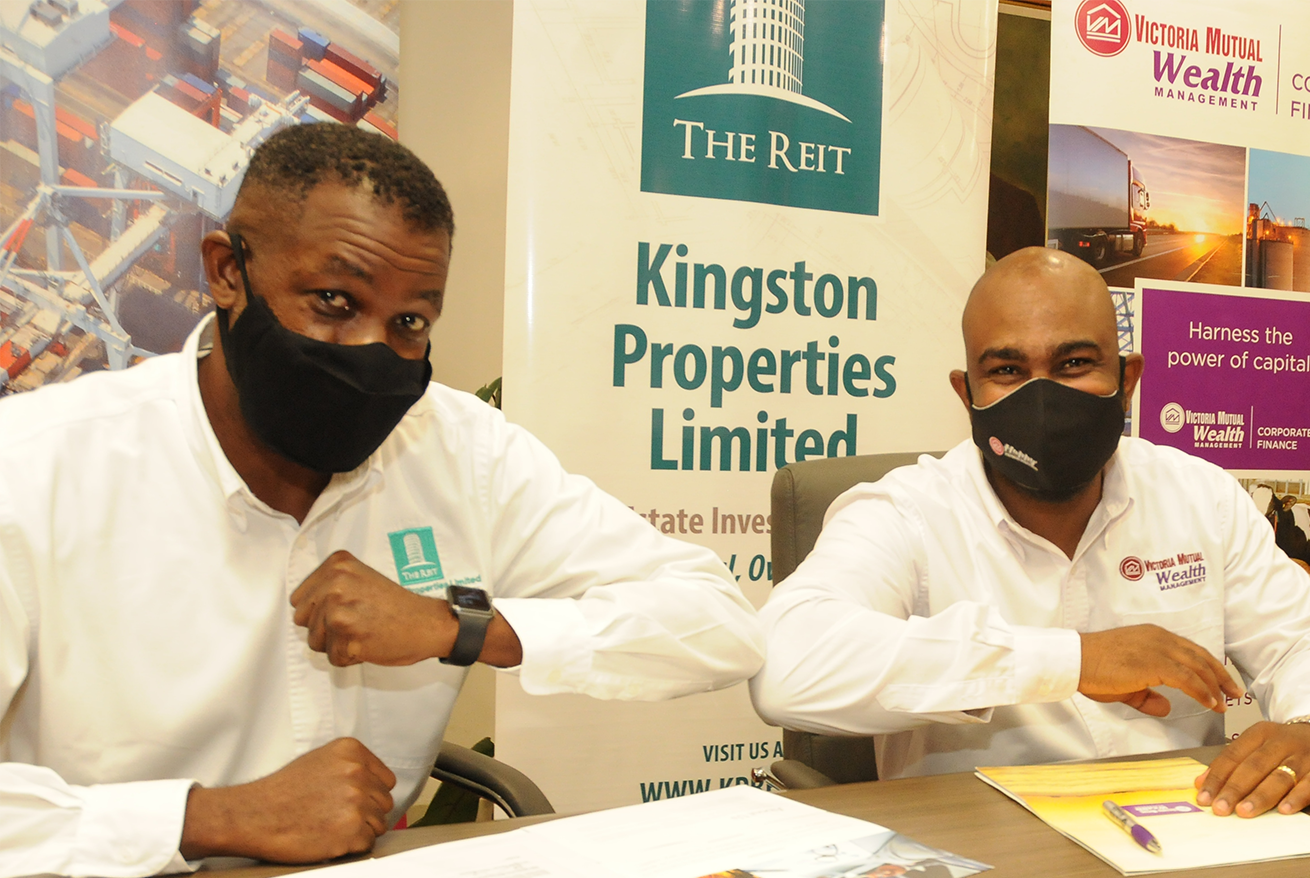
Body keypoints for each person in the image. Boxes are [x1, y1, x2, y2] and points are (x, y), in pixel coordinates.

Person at [0, 124, 766, 876]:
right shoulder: (36, 469)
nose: (372, 350)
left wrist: (459, 624)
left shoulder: (460, 451)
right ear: (228, 271)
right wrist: (213, 818)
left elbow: (718, 624)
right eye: (334, 301)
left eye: (408, 323)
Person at [751, 247, 1310, 820]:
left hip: (1183, 838)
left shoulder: (1200, 495)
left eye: (1074, 363)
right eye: (1006, 370)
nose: (1042, 399)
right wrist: (1069, 661)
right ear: (966, 393)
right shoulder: (907, 511)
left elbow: (1304, 643)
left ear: (1128, 380)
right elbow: (787, 663)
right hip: (982, 852)